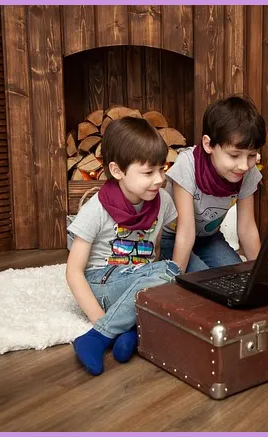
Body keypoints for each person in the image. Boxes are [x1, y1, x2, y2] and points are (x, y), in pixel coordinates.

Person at [66, 116, 180, 376]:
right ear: (117, 171)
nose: (159, 179)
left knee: (176, 277)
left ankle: (128, 333)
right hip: (101, 284)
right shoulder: (96, 209)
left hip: (137, 281)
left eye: (162, 169)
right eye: (148, 172)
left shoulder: (162, 201)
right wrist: (99, 319)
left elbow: (155, 251)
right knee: (170, 271)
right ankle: (98, 336)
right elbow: (73, 272)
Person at [160, 95, 267, 273]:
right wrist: (176, 280)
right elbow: (186, 232)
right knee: (201, 280)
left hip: (209, 238)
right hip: (172, 238)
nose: (243, 165)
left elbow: (247, 228)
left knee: (236, 277)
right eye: (234, 155)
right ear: (208, 144)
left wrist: (261, 276)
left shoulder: (248, 171)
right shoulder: (187, 164)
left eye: (251, 155)